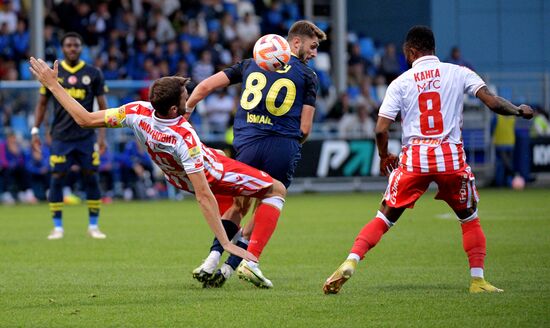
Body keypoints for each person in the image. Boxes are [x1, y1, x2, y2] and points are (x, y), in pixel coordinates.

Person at [29, 56, 291, 286]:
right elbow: (204, 195)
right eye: (185, 97)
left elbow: (85, 119)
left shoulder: (137, 112)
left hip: (178, 176)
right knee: (276, 189)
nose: (189, 98)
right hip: (211, 172)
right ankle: (248, 259)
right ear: (175, 109)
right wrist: (225, 242)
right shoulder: (183, 136)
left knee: (234, 193)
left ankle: (214, 263)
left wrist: (53, 84)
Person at [323, 26, 534, 295]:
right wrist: (518, 110)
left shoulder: (400, 82)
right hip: (450, 158)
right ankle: (478, 280)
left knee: (384, 217)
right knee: (470, 218)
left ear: (411, 51)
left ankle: (351, 260)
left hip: (415, 159)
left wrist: (384, 155)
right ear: (432, 48)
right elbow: (492, 103)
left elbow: (380, 129)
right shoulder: (459, 72)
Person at [185, 20, 326, 288]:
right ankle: (237, 266)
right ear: (296, 43)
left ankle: (212, 260)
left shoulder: (250, 64)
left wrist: (188, 109)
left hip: (247, 145)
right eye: (313, 46)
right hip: (283, 146)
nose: (314, 53)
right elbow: (305, 128)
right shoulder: (308, 76)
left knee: (238, 205)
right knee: (268, 204)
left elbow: (203, 87)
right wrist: (291, 141)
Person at [32, 32, 108, 240]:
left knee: (92, 177)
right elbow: (42, 104)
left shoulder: (93, 73)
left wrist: (102, 137)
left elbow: (103, 107)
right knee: (56, 178)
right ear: (62, 48)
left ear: (81, 48)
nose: (72, 48)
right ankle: (57, 227)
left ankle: (93, 226)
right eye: (68, 45)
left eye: (76, 45)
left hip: (86, 136)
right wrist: (36, 130)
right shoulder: (53, 74)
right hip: (61, 137)